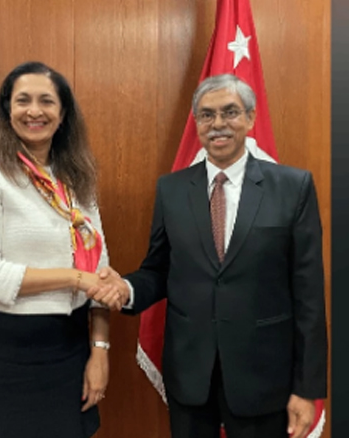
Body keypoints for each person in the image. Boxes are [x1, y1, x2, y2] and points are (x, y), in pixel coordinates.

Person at [90, 74, 328, 438]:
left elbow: (308, 295)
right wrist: (126, 288)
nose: (218, 123)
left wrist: (307, 388)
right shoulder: (171, 189)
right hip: (191, 373)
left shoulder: (293, 187)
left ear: (250, 118)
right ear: (197, 123)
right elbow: (159, 270)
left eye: (230, 112)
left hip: (264, 376)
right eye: (206, 115)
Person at [0, 61, 113, 438]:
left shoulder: (76, 175)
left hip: (68, 348)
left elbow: (100, 272)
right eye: (23, 100)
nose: (34, 111)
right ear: (7, 110)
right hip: (1, 354)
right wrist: (75, 278)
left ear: (63, 113)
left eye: (47, 101)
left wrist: (100, 350)